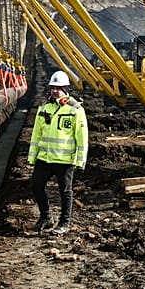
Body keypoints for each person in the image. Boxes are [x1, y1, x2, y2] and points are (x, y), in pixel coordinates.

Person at [27, 70, 88, 235]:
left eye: (58, 88)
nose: (55, 91)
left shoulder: (75, 110)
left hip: (64, 160)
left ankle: (64, 223)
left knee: (65, 192)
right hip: (45, 158)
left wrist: (80, 160)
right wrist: (32, 157)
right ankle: (46, 217)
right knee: (36, 185)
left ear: (66, 89)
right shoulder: (45, 108)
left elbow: (82, 138)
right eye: (53, 87)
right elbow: (36, 134)